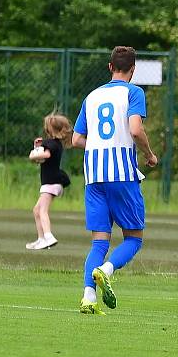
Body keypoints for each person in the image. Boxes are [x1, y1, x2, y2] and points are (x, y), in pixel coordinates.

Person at [71, 46, 158, 315]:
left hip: (93, 175)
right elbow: (135, 129)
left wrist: (99, 146)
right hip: (121, 174)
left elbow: (76, 140)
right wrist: (149, 154)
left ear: (110, 67)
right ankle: (106, 270)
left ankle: (88, 297)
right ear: (132, 70)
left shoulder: (92, 96)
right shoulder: (134, 92)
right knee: (134, 238)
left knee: (99, 241)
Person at [26, 113, 72, 250]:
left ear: (50, 129)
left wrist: (32, 154)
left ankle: (48, 236)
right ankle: (41, 239)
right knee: (36, 210)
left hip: (51, 183)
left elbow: (45, 155)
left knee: (42, 211)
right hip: (52, 183)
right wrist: (37, 149)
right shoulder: (55, 144)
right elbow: (43, 159)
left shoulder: (51, 144)